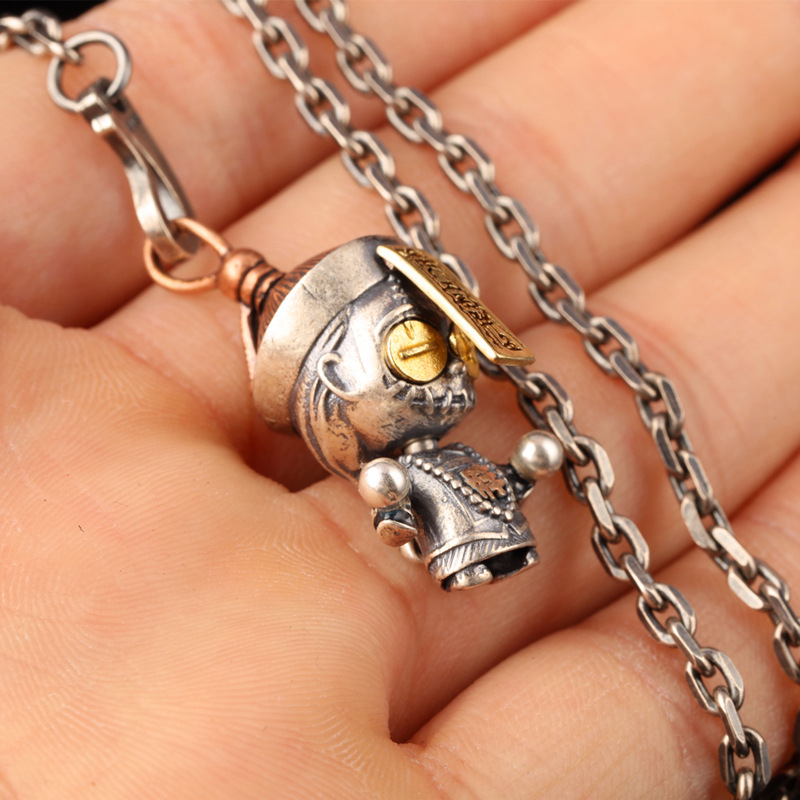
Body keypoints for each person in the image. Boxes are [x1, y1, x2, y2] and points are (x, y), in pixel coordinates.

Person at [0, 1, 798, 797]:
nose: (447, 368)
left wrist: (510, 430)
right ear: (337, 382)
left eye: (441, 339)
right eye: (413, 349)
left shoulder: (422, 428)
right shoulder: (383, 464)